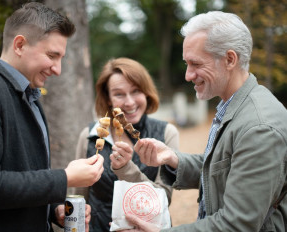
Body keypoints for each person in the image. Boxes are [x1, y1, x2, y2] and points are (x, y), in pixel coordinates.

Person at [119, 11, 287, 232]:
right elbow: (227, 169)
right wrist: (172, 159)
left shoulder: (259, 128)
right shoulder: (236, 106)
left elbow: (237, 225)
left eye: (195, 64)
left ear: (229, 59)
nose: (188, 75)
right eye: (186, 64)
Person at [0, 2, 104, 232]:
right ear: (20, 45)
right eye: (52, 55)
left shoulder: (31, 97)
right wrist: (64, 178)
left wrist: (55, 210)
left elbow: (26, 176)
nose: (58, 69)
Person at [74, 57, 180, 231]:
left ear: (146, 92)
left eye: (136, 91)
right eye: (119, 94)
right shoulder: (90, 135)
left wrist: (127, 170)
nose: (129, 102)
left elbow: (164, 198)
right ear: (108, 98)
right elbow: (78, 196)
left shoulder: (166, 133)